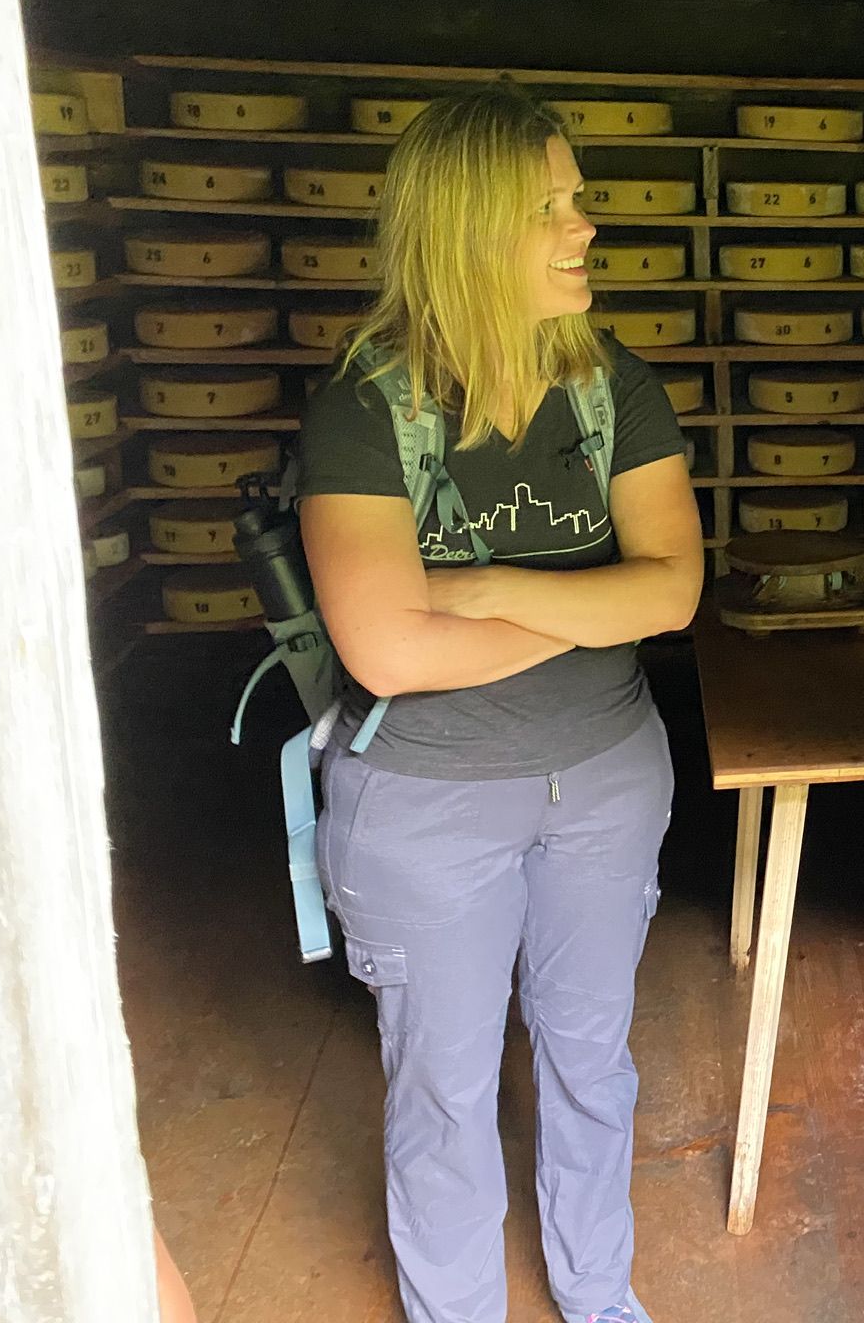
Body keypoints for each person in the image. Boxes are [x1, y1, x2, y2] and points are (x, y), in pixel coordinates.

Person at [297, 86, 702, 1323]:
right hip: (426, 807)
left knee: (592, 1063)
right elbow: (385, 655)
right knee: (446, 1088)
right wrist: (588, 606)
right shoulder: (366, 407)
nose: (585, 227)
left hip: (607, 782)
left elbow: (675, 589)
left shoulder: (610, 385)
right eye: (553, 207)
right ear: (472, 229)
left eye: (577, 200)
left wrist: (471, 592)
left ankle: (599, 1297)